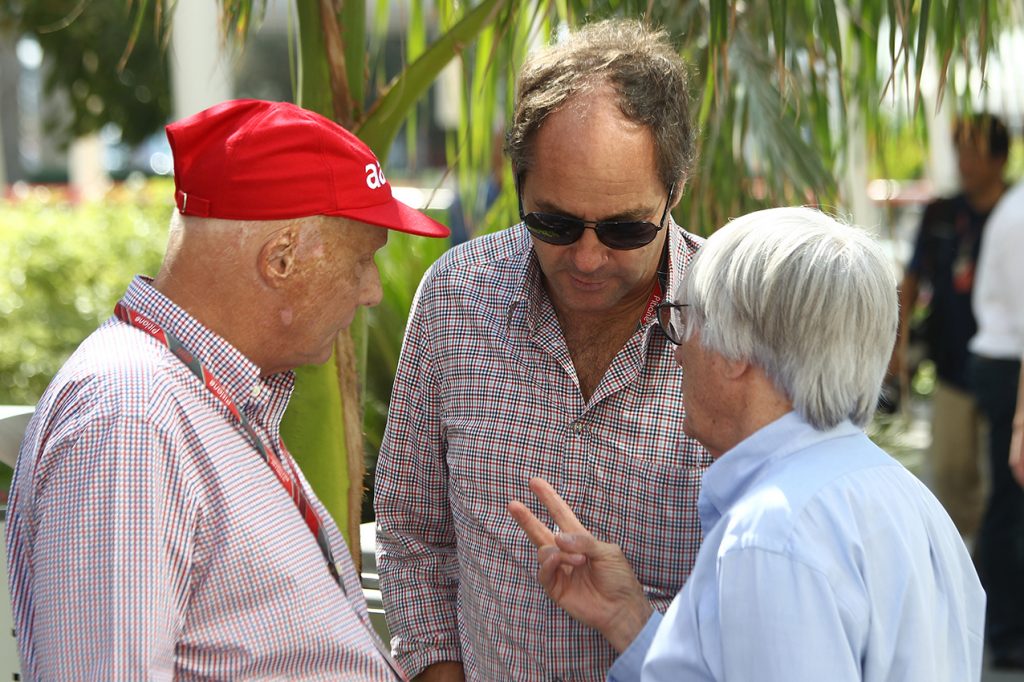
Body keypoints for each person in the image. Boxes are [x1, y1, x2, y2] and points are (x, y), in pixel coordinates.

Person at [6, 99, 449, 680]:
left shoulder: (189, 397)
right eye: (361, 260)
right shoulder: (130, 420)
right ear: (282, 259)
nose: (370, 290)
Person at [510, 207, 986, 681]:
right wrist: (626, 618)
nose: (678, 352)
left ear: (735, 351)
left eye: (684, 319)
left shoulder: (772, 534)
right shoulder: (911, 502)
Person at [374, 19, 711, 681]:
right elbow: (413, 530)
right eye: (553, 222)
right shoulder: (455, 300)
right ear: (518, 184)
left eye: (624, 228)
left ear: (676, 190)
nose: (587, 258)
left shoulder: (735, 325)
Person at [891, 114, 1009, 537]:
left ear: (1000, 157)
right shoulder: (941, 213)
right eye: (960, 149)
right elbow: (912, 277)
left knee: (1005, 480)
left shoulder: (1014, 212)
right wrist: (898, 343)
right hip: (953, 366)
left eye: (974, 149)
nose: (965, 160)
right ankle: (967, 569)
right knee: (948, 473)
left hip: (1010, 369)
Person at [969, 177, 1024, 670]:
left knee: (1008, 507)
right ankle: (1006, 633)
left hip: (1005, 367)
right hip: (1010, 369)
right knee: (1010, 509)